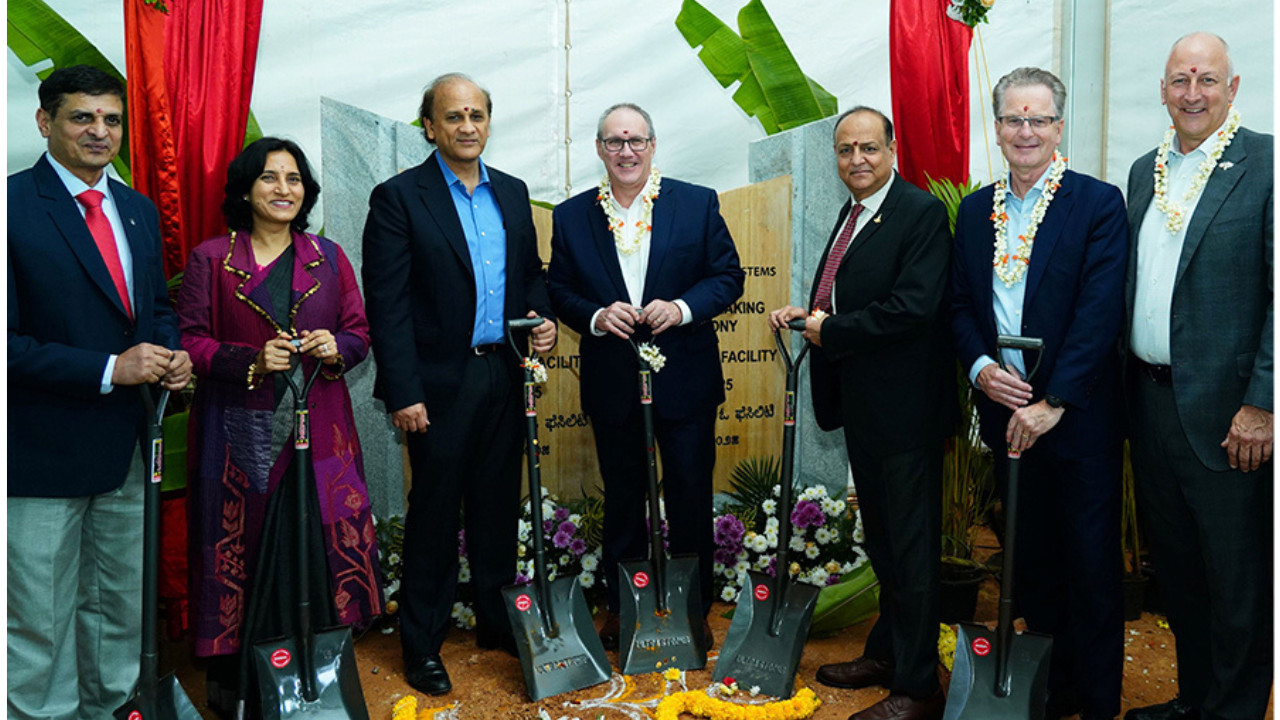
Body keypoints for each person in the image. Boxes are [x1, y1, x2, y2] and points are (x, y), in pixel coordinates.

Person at [362, 73, 556, 696]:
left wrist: (542, 318)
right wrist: (404, 391)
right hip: (438, 384)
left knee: (498, 506)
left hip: (504, 371)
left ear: (489, 122)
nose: (467, 126)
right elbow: (387, 304)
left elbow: (531, 274)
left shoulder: (513, 192)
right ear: (430, 127)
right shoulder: (399, 198)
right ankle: (422, 643)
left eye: (476, 115)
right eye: (453, 116)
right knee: (436, 514)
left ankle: (497, 622)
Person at [8, 64, 192, 719]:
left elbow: (155, 311)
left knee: (118, 607)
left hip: (124, 449)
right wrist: (114, 368)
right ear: (45, 122)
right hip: (37, 453)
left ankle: (115, 708)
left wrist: (171, 357)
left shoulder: (136, 210)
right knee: (38, 619)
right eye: (82, 117)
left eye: (112, 119)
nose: (100, 131)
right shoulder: (10, 207)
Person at [176, 137, 383, 714]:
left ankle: (319, 684)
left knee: (317, 550)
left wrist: (335, 346)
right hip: (239, 437)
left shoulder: (328, 256)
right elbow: (189, 341)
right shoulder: (212, 259)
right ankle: (247, 691)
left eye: (294, 179)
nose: (283, 189)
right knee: (241, 553)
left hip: (320, 432)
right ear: (246, 189)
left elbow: (359, 332)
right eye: (269, 177)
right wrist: (249, 359)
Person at [949, 67, 1128, 720]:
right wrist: (980, 368)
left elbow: (1100, 312)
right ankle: (1048, 690)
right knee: (1031, 559)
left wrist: (1054, 403)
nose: (1026, 131)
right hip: (1004, 413)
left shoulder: (1097, 203)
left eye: (1039, 119)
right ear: (997, 128)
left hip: (1076, 417)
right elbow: (959, 304)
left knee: (1089, 559)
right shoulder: (976, 210)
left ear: (1059, 127)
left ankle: (1097, 699)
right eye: (1013, 119)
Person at [770, 107, 954, 720]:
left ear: (892, 149)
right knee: (884, 542)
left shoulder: (919, 213)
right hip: (867, 411)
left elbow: (912, 308)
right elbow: (851, 296)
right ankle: (889, 655)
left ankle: (920, 688)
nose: (857, 159)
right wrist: (810, 316)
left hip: (906, 415)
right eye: (846, 150)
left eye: (869, 148)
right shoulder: (854, 213)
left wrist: (831, 330)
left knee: (912, 551)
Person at [547, 102, 744, 650]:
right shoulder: (571, 216)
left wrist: (681, 307)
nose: (626, 151)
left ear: (653, 145)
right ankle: (622, 607)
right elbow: (558, 288)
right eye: (614, 141)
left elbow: (728, 277)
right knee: (623, 499)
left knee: (690, 496)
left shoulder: (697, 203)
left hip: (686, 377)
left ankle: (693, 608)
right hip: (612, 379)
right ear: (599, 149)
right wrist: (595, 316)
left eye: (636, 140)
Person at [1123, 33, 1273, 720]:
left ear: (1232, 88)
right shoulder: (1143, 171)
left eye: (1206, 80)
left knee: (1236, 579)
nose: (1192, 93)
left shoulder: (1266, 164)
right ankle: (1195, 700)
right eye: (1179, 80)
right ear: (1162, 89)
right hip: (1150, 405)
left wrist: (1263, 403)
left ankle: (1235, 710)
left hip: (1229, 416)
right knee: (1178, 571)